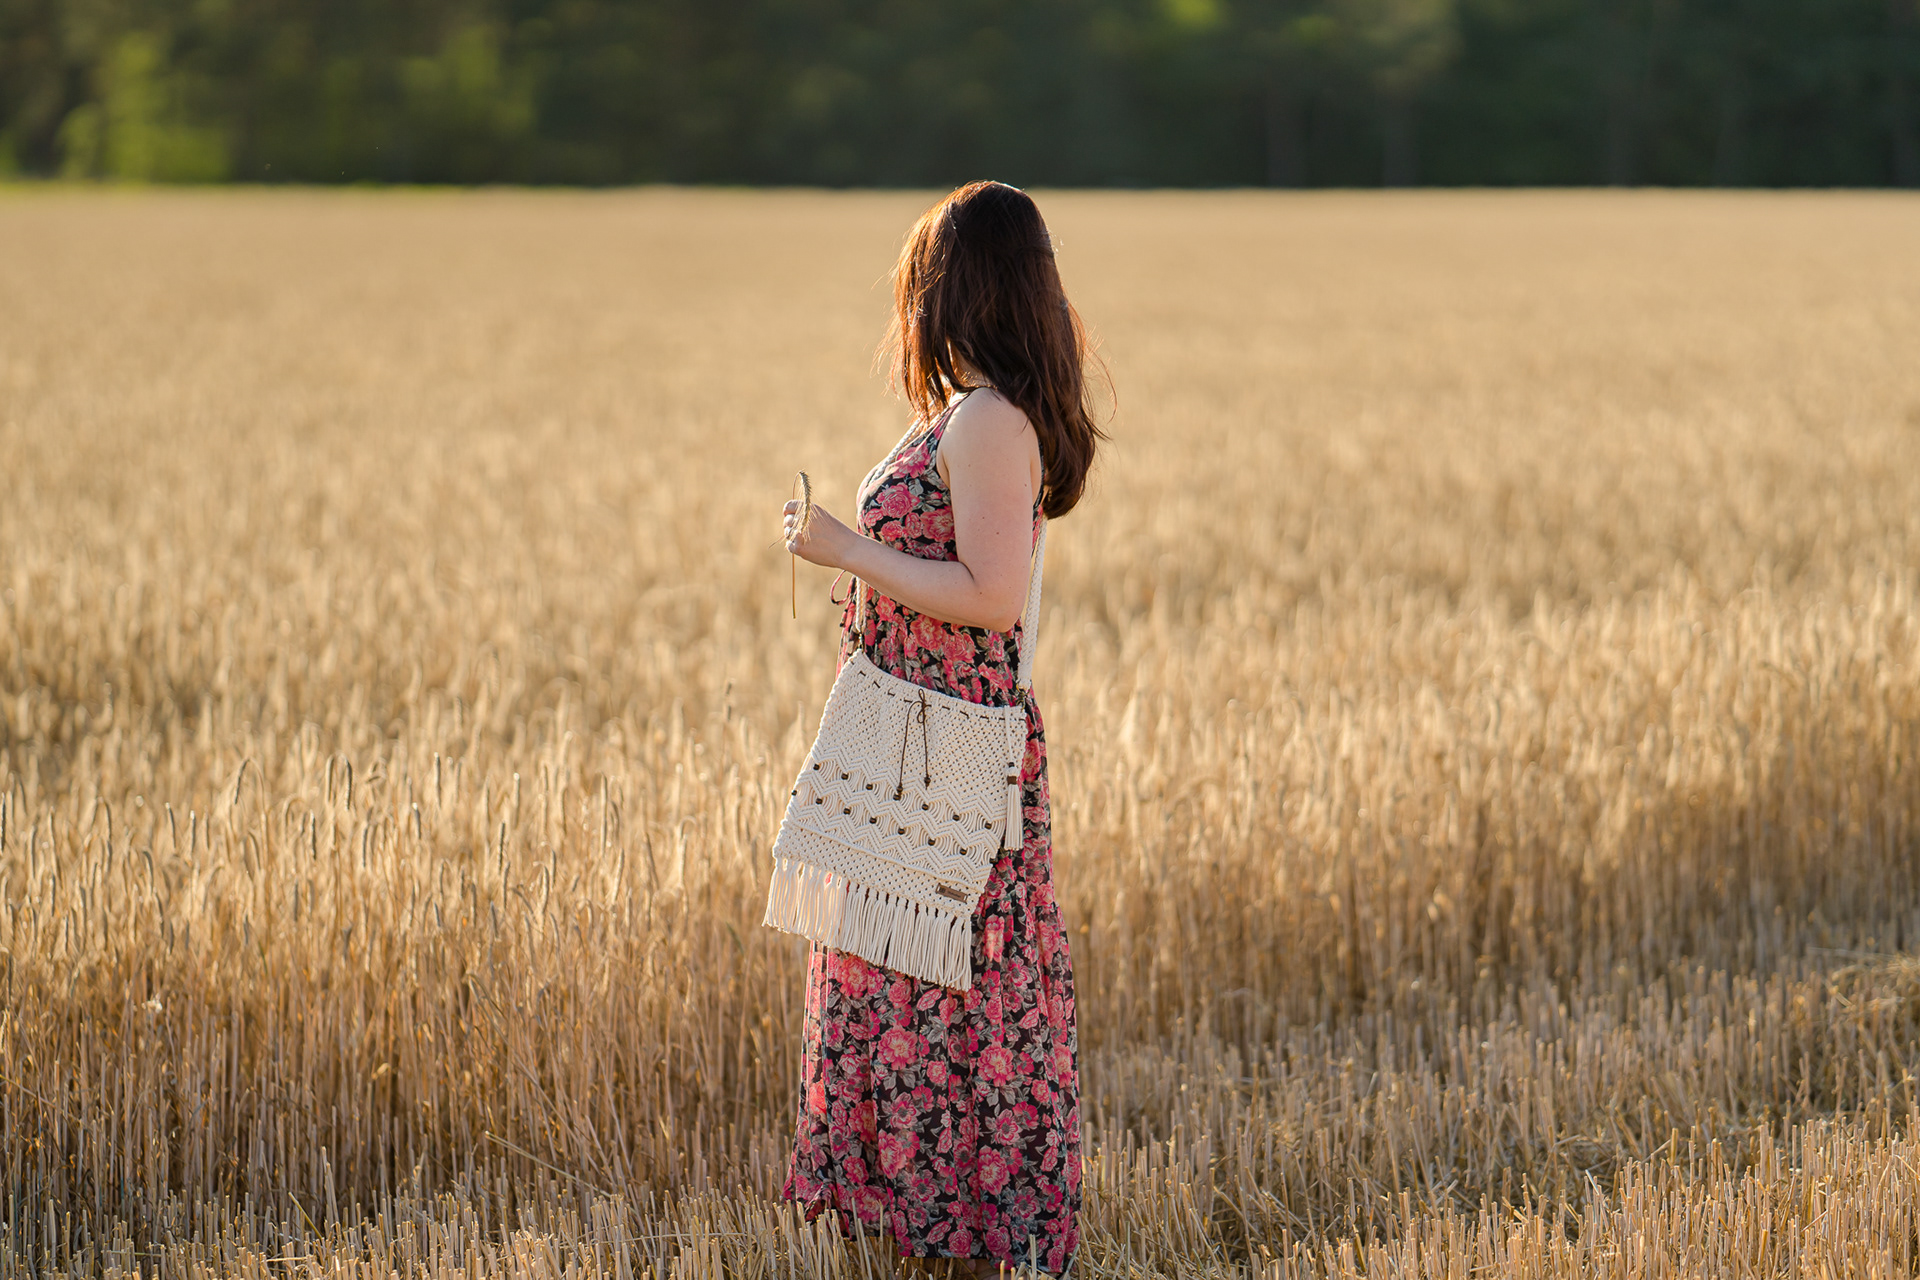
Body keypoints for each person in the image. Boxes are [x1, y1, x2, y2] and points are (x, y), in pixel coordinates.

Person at [779, 181, 1103, 1277]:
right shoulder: (971, 413)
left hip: (951, 748)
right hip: (909, 742)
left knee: (955, 986)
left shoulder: (989, 421)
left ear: (954, 285)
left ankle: (971, 1228)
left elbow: (994, 595)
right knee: (902, 980)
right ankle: (921, 1224)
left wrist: (844, 549)